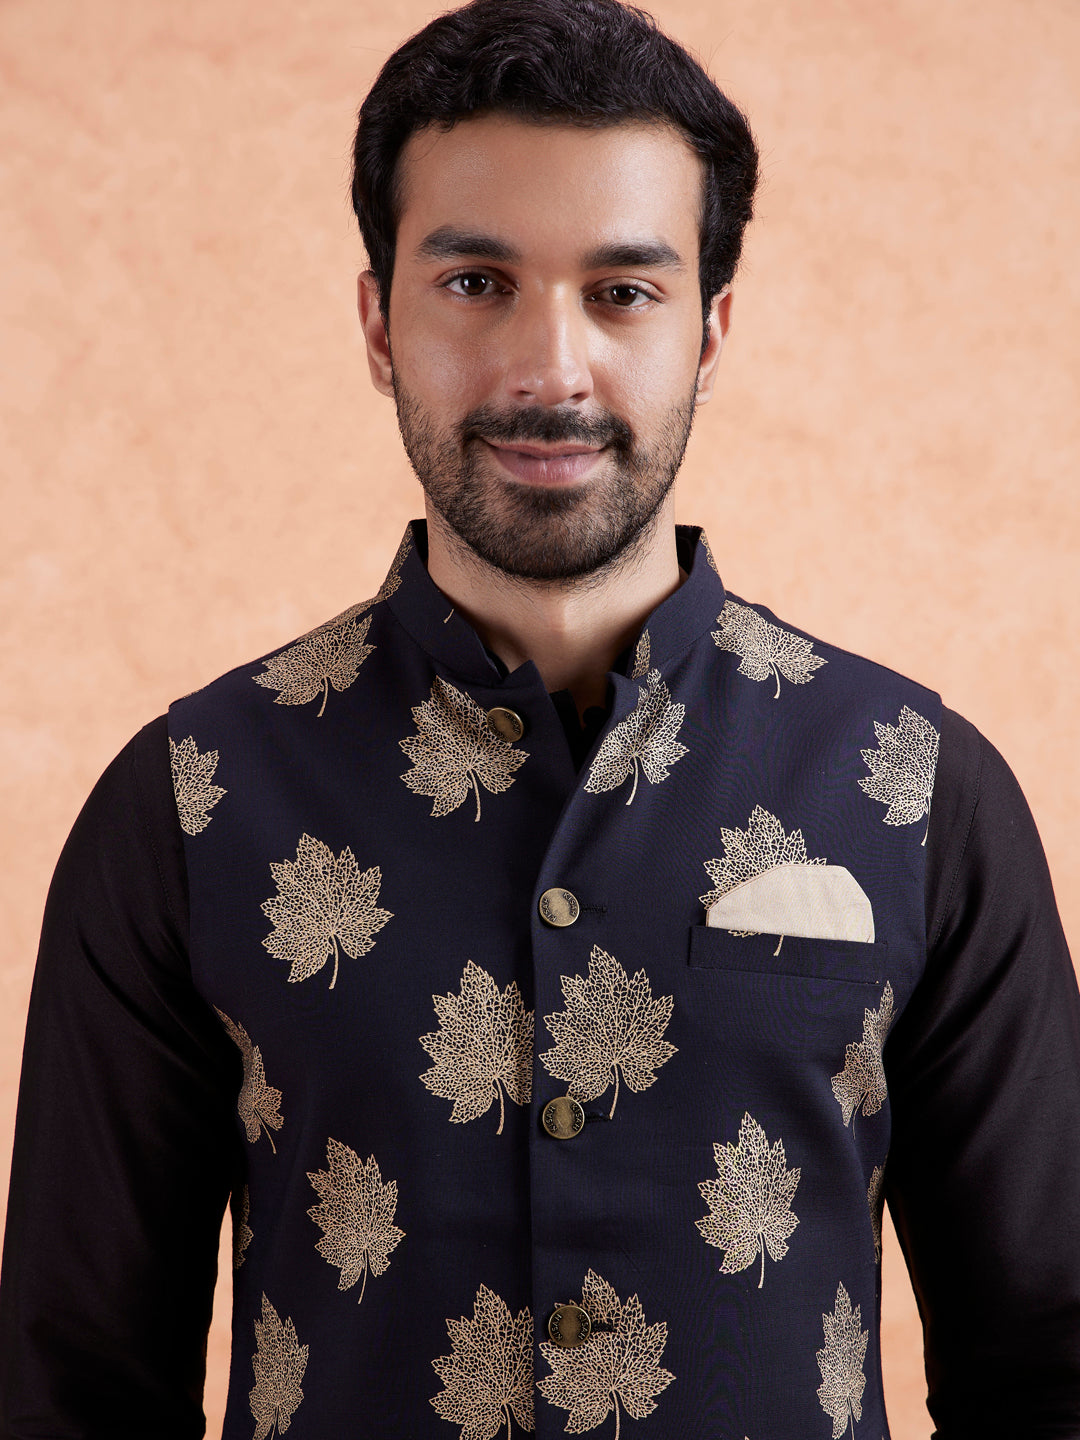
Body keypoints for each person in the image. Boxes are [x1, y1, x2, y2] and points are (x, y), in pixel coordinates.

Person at [3, 0, 1079, 1435]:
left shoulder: (918, 792)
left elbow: (1050, 1369)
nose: (548, 368)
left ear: (711, 331)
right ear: (379, 322)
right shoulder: (190, 804)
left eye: (622, 291)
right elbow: (73, 1391)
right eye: (476, 282)